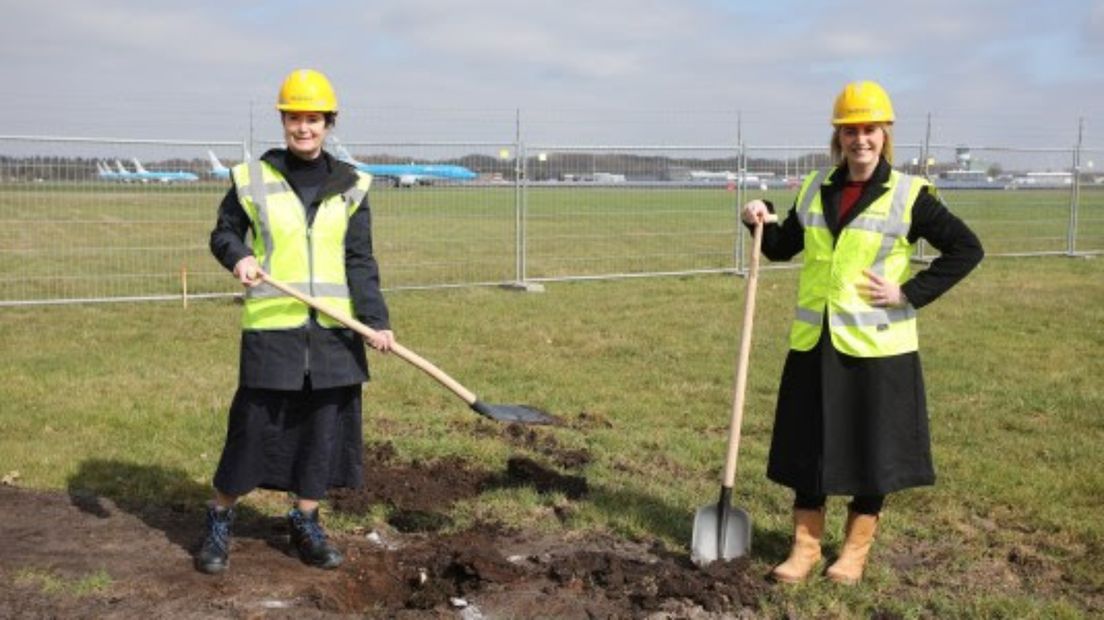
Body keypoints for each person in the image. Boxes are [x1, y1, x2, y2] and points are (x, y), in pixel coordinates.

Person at [741, 81, 983, 585]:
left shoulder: (909, 194)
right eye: (850, 131)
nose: (860, 140)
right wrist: (758, 216)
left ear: (884, 134)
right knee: (810, 446)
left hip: (879, 346)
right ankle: (804, 549)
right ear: (838, 136)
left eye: (869, 129)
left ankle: (853, 553)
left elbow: (966, 249)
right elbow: (783, 246)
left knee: (873, 450)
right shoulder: (814, 186)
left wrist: (909, 292)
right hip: (816, 342)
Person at [196, 68, 394, 575]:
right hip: (273, 331)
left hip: (333, 335)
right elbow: (224, 234)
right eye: (294, 118)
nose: (303, 128)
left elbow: (360, 261)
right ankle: (220, 517)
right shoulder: (251, 178)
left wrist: (375, 320)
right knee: (251, 429)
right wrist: (238, 256)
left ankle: (306, 520)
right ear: (283, 121)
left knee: (322, 431)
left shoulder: (353, 185)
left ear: (329, 123)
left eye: (313, 119)